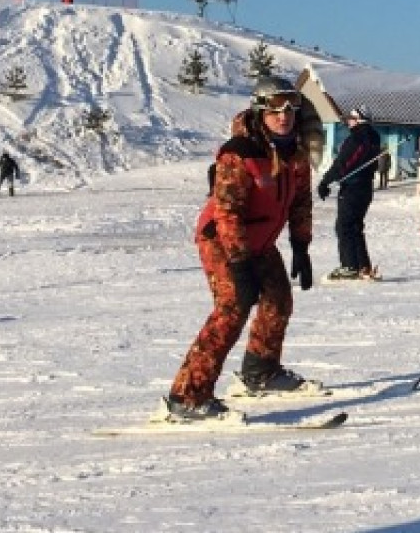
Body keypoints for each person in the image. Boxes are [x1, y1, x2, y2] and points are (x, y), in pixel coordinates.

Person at [164, 77, 321, 421]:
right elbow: (226, 212)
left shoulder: (294, 154)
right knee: (232, 307)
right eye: (276, 109)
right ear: (261, 111)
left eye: (290, 108)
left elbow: (300, 203)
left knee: (278, 299)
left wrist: (301, 245)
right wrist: (238, 264)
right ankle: (187, 396)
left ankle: (260, 371)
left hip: (261, 243)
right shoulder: (239, 153)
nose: (284, 116)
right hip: (223, 239)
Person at [319, 105, 383, 279]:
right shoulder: (374, 137)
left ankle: (349, 266)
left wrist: (325, 181)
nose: (348, 121)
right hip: (365, 188)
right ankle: (363, 265)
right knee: (355, 227)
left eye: (351, 119)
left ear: (359, 120)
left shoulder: (355, 139)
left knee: (344, 226)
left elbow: (342, 163)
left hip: (352, 188)